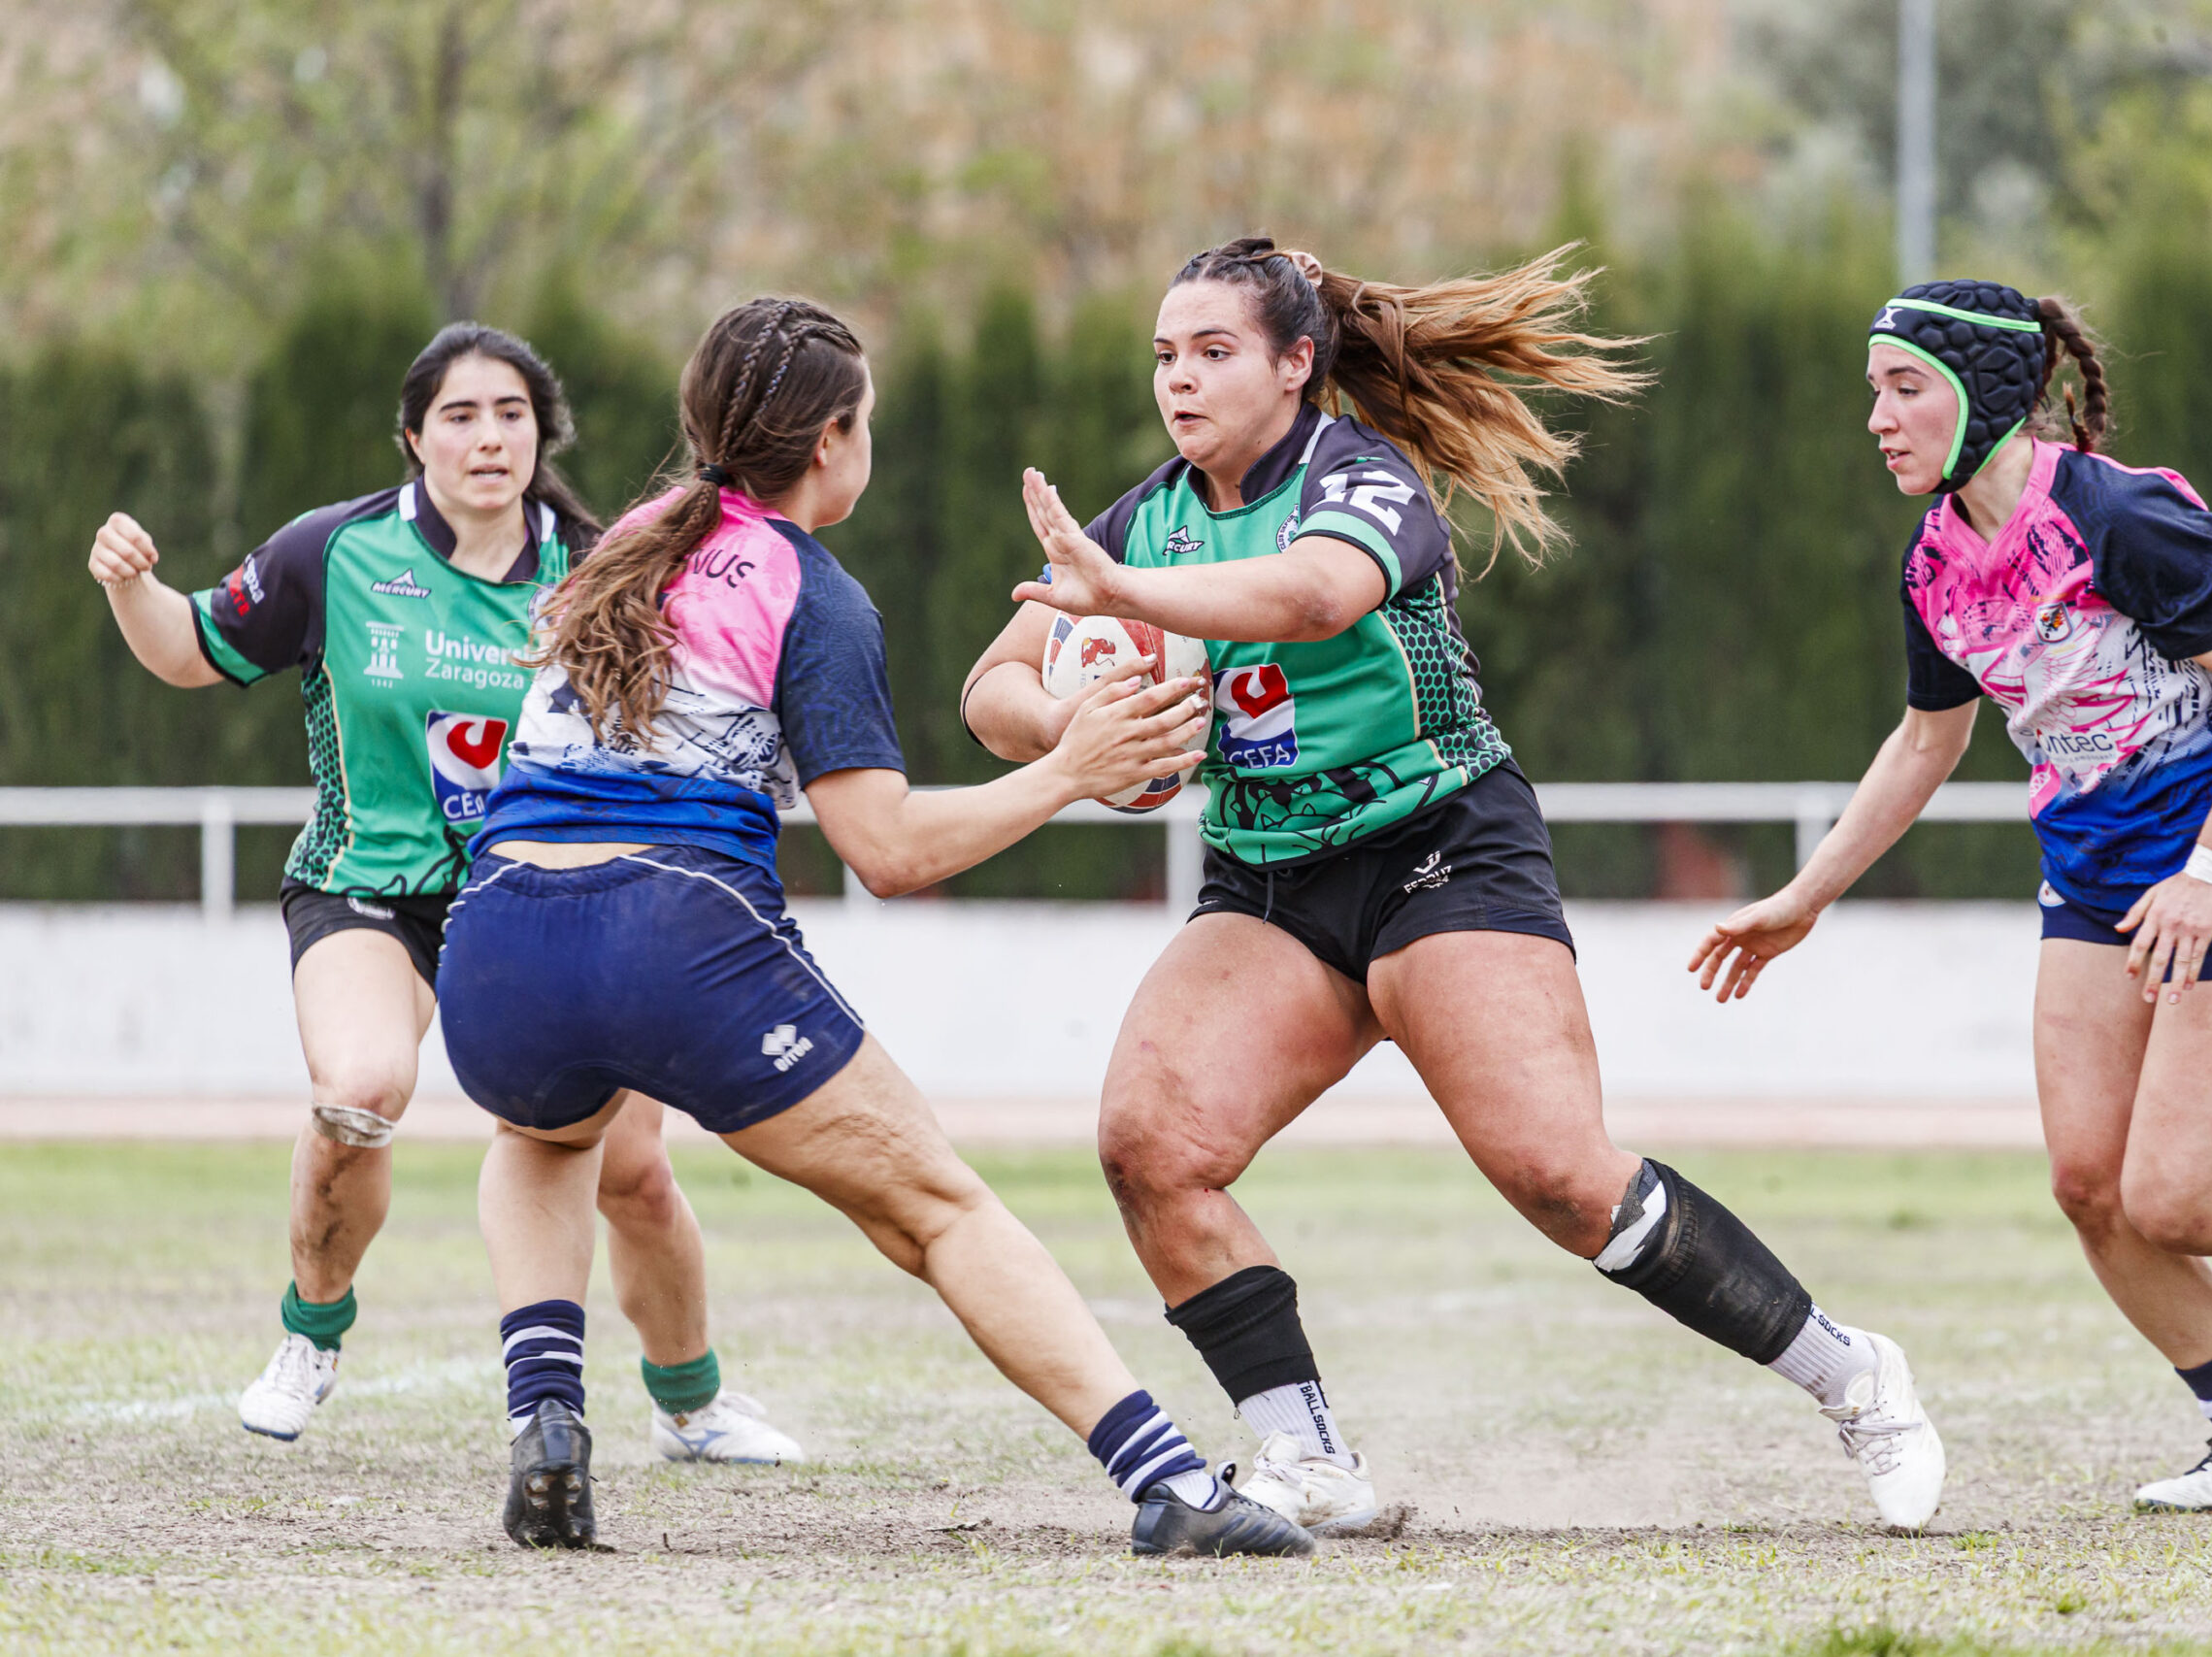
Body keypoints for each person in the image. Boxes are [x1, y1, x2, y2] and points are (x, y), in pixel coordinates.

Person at [959, 238, 1948, 1534]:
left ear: (1295, 364)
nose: (1178, 379)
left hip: (1440, 848)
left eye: (1212, 351)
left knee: (1559, 1176)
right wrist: (1072, 729)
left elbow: (1315, 596)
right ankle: (1308, 1455)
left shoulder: (1358, 477)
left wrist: (1129, 597)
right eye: (1164, 355)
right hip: (1271, 878)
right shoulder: (1142, 518)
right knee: (1150, 1148)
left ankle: (1850, 1370)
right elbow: (990, 685)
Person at [434, 295, 1312, 1559]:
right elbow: (888, 851)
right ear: (831, 440)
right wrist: (1069, 771)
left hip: (496, 935)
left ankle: (548, 1422)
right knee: (939, 1210)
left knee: (539, 1134)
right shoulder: (812, 589)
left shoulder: (622, 542)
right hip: (670, 932)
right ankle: (1170, 1481)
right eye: (868, 423)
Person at [1689, 280, 2212, 1512]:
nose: (1876, 419)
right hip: (2091, 883)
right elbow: (1926, 741)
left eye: (1904, 389)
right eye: (1872, 391)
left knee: (2173, 1198)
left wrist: (2205, 874)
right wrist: (1804, 896)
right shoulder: (1933, 559)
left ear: (1983, 395)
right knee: (2089, 1187)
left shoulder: (2119, 517)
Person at [86, 324, 800, 1466]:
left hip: (547, 900)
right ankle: (312, 1333)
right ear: (414, 438)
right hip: (370, 889)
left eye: (511, 414)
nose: (489, 437)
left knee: (632, 1173)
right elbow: (187, 650)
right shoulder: (335, 552)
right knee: (359, 1089)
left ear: (541, 435)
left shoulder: (602, 565)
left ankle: (691, 1404)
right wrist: (134, 588)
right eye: (460, 416)